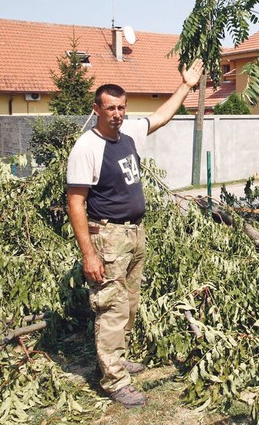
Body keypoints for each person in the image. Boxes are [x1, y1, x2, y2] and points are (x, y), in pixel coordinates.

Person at [66, 65, 198, 407]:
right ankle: (114, 381)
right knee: (111, 307)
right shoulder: (87, 147)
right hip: (107, 236)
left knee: (129, 305)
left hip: (134, 234)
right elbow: (76, 202)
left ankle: (117, 360)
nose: (117, 114)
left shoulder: (128, 135)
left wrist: (185, 85)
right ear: (97, 109)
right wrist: (88, 254)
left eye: (121, 107)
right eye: (110, 108)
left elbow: (160, 117)